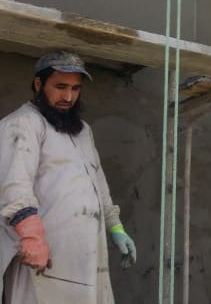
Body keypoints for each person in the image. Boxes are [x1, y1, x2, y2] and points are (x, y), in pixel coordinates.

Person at [0, 51, 137, 304]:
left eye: (75, 88)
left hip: (86, 253)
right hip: (43, 254)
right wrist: (31, 236)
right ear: (39, 84)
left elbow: (98, 183)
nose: (68, 97)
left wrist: (115, 227)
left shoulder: (82, 131)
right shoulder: (22, 123)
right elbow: (14, 184)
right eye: (60, 87)